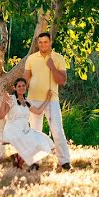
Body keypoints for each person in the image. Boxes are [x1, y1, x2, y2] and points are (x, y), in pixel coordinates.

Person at [24, 31, 71, 169]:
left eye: (45, 42)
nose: (43, 44)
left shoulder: (58, 58)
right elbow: (25, 79)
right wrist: (19, 94)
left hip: (52, 100)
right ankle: (34, 162)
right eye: (40, 42)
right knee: (34, 131)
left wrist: (52, 67)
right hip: (33, 99)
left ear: (50, 42)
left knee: (57, 130)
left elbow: (62, 81)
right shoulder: (31, 59)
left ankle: (65, 161)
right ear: (37, 43)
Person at [0, 77, 55, 171]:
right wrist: (4, 100)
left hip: (25, 130)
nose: (21, 88)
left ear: (26, 87)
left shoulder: (27, 102)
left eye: (23, 86)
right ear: (14, 88)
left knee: (41, 139)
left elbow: (38, 111)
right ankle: (21, 161)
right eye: (19, 86)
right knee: (30, 141)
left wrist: (48, 99)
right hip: (13, 130)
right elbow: (1, 116)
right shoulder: (11, 99)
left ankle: (18, 160)